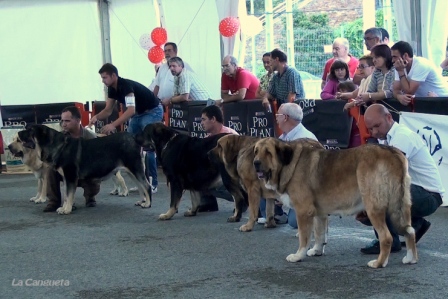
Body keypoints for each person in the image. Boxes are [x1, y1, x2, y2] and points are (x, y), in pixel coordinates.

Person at [359, 104, 444, 254]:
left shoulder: (402, 136)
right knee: (369, 202)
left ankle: (388, 241)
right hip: (418, 192)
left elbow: (389, 175)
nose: (375, 132)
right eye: (370, 129)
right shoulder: (385, 139)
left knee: (378, 193)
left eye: (377, 126)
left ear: (389, 117)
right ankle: (417, 225)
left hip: (428, 196)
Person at [89, 63, 162, 193]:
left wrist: (112, 125)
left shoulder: (126, 86)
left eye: (105, 77)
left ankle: (152, 183)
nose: (103, 81)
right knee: (130, 146)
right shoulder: (111, 88)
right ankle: (141, 181)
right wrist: (96, 117)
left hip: (152, 111)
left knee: (148, 146)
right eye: (102, 78)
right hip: (139, 114)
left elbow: (131, 110)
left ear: (114, 75)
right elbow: (108, 110)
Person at [259, 103, 318, 228]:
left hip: (304, 190)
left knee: (294, 222)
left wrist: (283, 192)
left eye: (278, 115)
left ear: (285, 117)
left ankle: (315, 212)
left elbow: (307, 177)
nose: (276, 118)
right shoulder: (283, 137)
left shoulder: (305, 138)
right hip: (288, 185)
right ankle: (278, 215)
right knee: (262, 183)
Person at [43, 106, 100, 212]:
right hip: (66, 171)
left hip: (85, 171)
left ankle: (90, 197)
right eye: (62, 121)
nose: (63, 124)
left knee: (95, 173)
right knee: (50, 169)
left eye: (67, 121)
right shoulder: (60, 138)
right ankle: (54, 201)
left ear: (78, 120)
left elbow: (96, 160)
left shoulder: (91, 137)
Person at [196, 105, 238, 211]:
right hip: (218, 172)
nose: (201, 123)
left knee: (217, 182)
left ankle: (241, 199)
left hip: (234, 174)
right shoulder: (206, 139)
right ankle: (208, 202)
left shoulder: (230, 135)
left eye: (204, 119)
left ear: (213, 119)